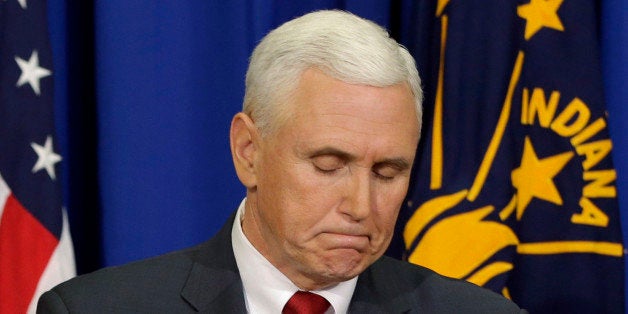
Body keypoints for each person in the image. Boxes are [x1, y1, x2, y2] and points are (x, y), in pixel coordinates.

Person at [38, 10, 525, 313]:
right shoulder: (97, 310)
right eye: (329, 164)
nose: (361, 205)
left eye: (387, 172)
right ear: (249, 152)